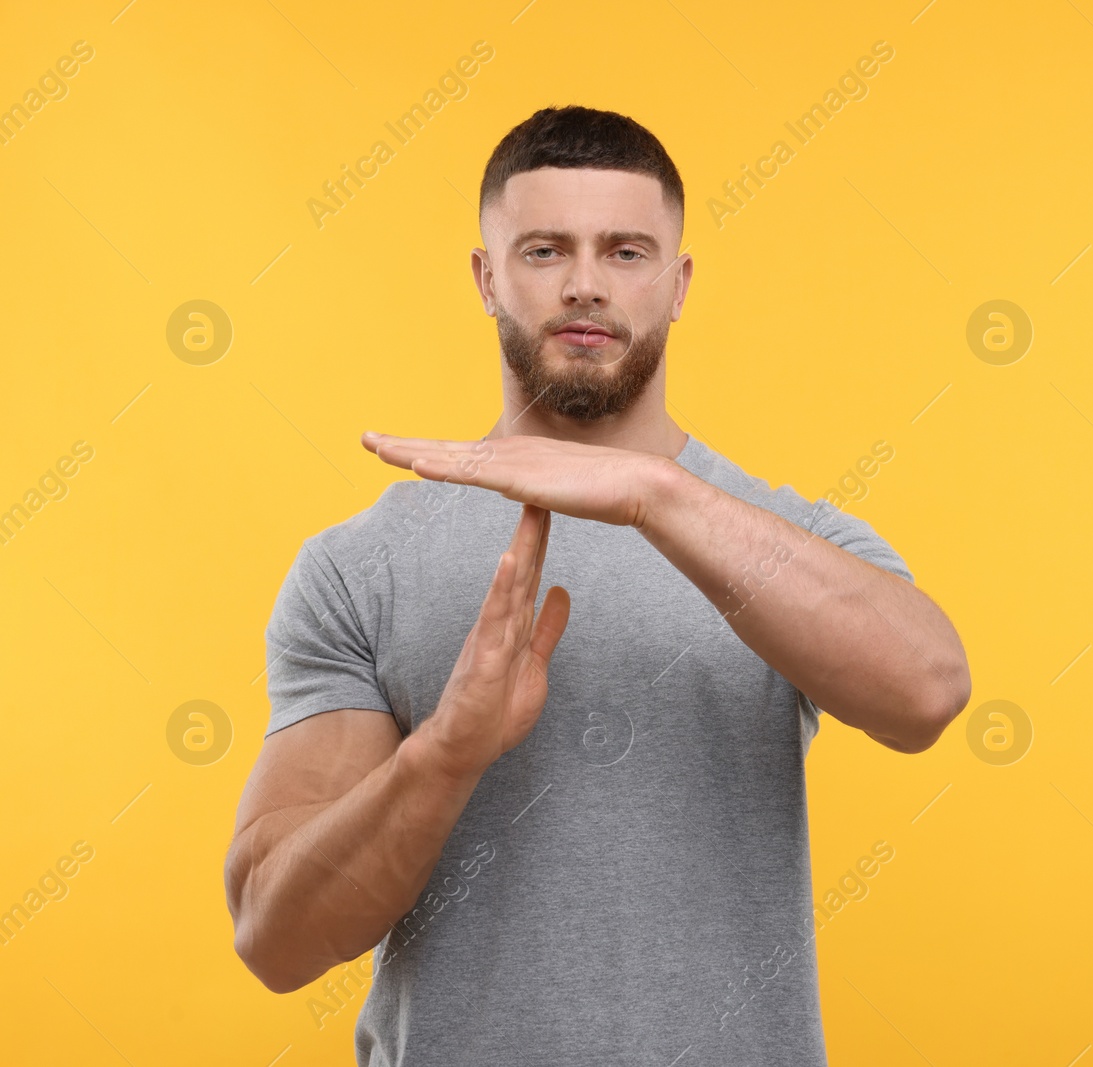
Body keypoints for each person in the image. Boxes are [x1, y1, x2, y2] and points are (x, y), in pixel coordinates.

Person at [223, 105, 971, 1066]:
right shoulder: (358, 568)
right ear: (487, 276)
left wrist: (653, 491)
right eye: (544, 251)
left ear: (678, 282)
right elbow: (276, 938)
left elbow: (928, 693)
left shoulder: (790, 540)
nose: (585, 285)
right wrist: (446, 753)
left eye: (626, 252)